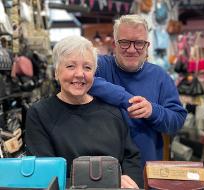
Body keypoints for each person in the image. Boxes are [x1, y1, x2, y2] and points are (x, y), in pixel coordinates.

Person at [25, 36, 143, 188]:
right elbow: (45, 175)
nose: (80, 74)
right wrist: (106, 182)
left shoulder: (112, 113)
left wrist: (130, 181)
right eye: (70, 66)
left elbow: (131, 157)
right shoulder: (40, 114)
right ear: (56, 72)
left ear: (94, 73)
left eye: (87, 67)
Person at [89, 15, 187, 166]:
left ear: (147, 46)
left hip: (145, 169)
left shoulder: (160, 77)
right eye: (124, 43)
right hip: (101, 167)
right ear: (115, 44)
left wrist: (152, 111)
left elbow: (177, 120)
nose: (132, 49)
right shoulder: (100, 66)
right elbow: (81, 79)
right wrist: (124, 98)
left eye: (139, 43)